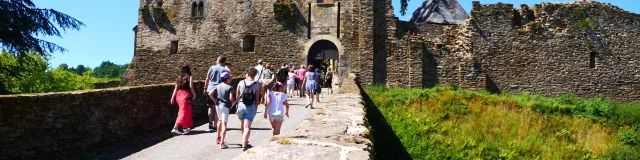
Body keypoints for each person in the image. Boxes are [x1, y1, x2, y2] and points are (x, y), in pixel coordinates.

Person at [236, 68, 261, 151]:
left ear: (248, 74)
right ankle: (244, 144)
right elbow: (257, 99)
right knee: (247, 127)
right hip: (251, 106)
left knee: (243, 124)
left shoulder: (241, 82)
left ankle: (244, 140)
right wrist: (256, 109)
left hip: (240, 105)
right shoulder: (256, 85)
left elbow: (237, 96)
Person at [208, 72, 234, 149]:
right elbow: (231, 98)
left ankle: (218, 138)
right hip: (225, 106)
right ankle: (222, 143)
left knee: (219, 120)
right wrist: (233, 104)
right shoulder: (230, 87)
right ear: (227, 78)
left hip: (218, 105)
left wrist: (215, 100)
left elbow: (210, 94)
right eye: (229, 77)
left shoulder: (217, 86)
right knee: (224, 124)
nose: (230, 79)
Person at [170, 65, 196, 135]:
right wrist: (194, 94)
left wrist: (172, 98)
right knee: (184, 112)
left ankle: (186, 127)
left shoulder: (179, 77)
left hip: (179, 95)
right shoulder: (189, 76)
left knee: (185, 111)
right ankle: (175, 128)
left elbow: (176, 88)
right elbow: (191, 86)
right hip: (186, 95)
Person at [204, 56, 229, 131]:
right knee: (217, 107)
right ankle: (215, 125)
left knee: (211, 107)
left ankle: (210, 123)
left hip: (210, 88)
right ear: (224, 62)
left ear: (218, 60)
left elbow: (207, 78)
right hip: (219, 90)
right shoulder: (225, 69)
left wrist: (205, 88)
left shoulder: (212, 67)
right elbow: (227, 80)